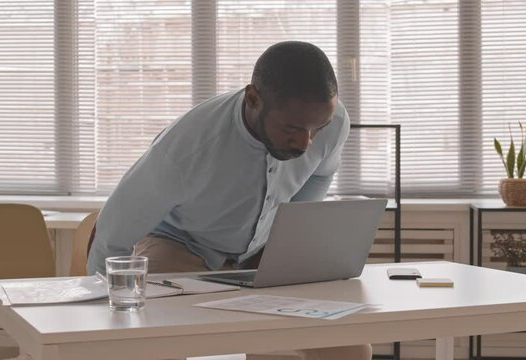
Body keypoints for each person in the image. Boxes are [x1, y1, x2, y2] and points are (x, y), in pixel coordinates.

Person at [87, 41, 371, 360]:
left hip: (261, 255)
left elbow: (320, 174)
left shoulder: (332, 123)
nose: (305, 143)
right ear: (253, 99)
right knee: (161, 342)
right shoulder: (187, 147)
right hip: (181, 245)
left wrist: (285, 235)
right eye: (292, 129)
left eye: (316, 129)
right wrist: (102, 331)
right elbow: (111, 237)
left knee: (351, 348)